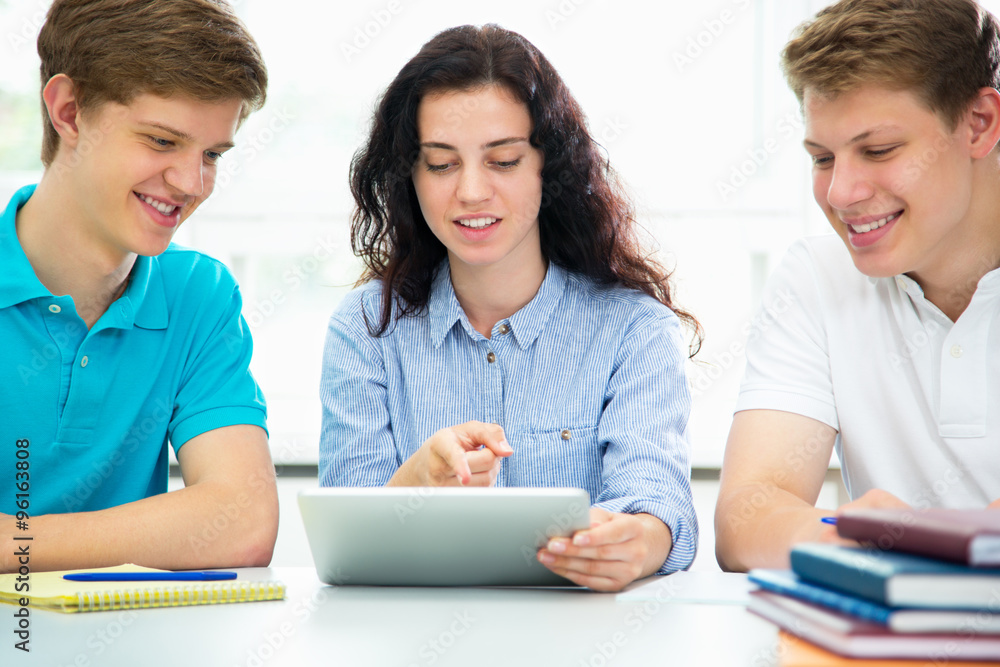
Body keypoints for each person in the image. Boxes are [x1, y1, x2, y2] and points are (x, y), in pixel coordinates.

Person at [319, 25, 700, 591]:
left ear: (551, 168)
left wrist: (636, 542)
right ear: (410, 177)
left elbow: (657, 503)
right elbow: (346, 553)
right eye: (442, 164)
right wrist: (414, 484)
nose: (471, 191)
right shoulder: (366, 329)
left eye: (503, 161)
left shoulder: (634, 330)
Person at [715, 0, 1000, 572]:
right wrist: (844, 539)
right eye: (822, 158)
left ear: (979, 124)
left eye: (878, 151)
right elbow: (744, 517)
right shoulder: (818, 278)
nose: (841, 193)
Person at [0, 0, 278, 573]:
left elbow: (244, 522)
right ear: (70, 112)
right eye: (160, 141)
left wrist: (13, 544)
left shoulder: (198, 294)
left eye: (211, 155)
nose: (191, 183)